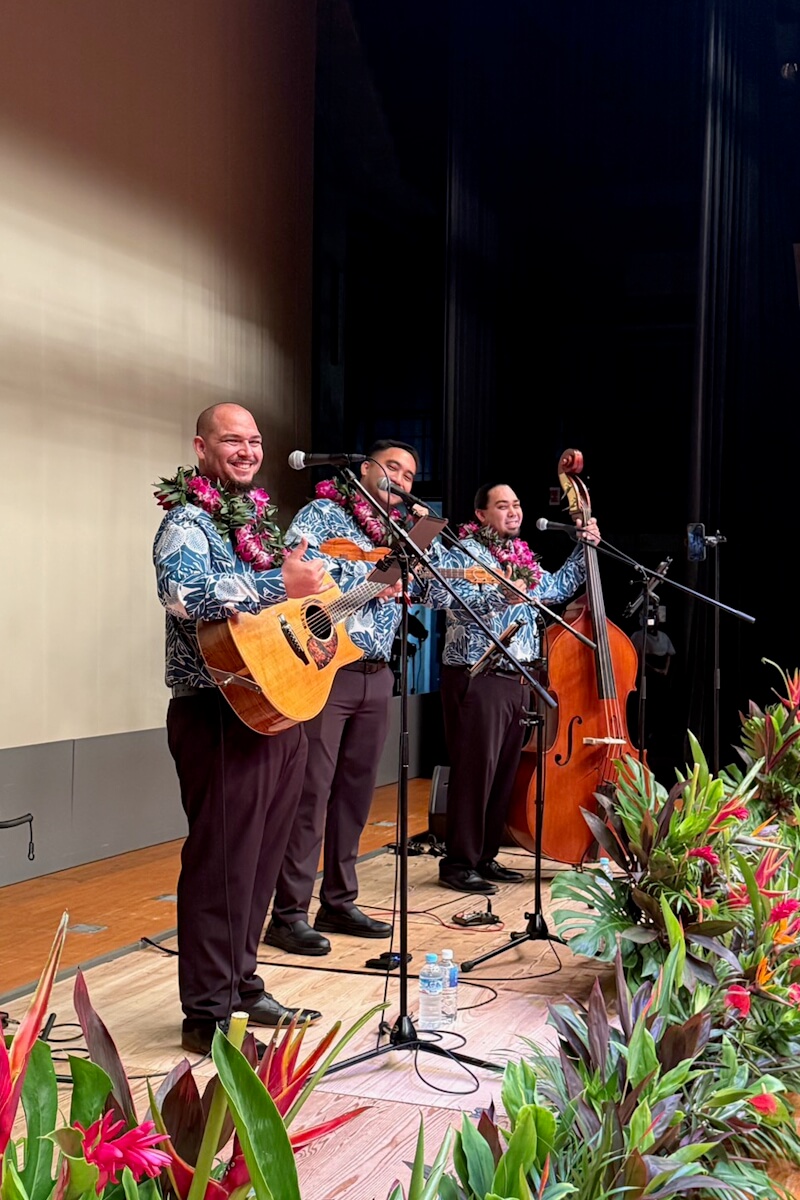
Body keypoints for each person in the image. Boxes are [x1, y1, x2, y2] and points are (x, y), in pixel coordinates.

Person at [264, 441, 508, 955]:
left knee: (356, 795)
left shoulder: (401, 533)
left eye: (411, 475)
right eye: (392, 467)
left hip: (377, 673)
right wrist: (371, 584)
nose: (401, 478)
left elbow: (440, 594)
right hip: (325, 667)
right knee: (312, 793)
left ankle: (338, 900)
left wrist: (428, 548)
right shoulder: (323, 513)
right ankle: (288, 913)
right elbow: (294, 579)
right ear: (366, 469)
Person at [153, 402, 330, 1054]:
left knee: (258, 863)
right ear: (201, 448)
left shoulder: (256, 522)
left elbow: (294, 603)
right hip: (218, 711)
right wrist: (279, 582)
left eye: (254, 440)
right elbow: (184, 596)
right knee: (222, 863)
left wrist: (325, 604)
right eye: (233, 440)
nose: (248, 450)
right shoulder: (186, 521)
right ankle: (207, 1013)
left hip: (275, 705)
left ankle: (242, 986)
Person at [437, 483, 600, 894]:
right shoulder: (464, 553)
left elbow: (556, 589)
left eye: (517, 504)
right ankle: (458, 863)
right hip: (479, 674)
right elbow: (453, 601)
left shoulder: (519, 556)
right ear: (481, 515)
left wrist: (584, 545)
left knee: (503, 773)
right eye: (502, 505)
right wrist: (501, 597)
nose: (513, 511)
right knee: (476, 772)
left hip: (518, 677)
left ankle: (484, 856)